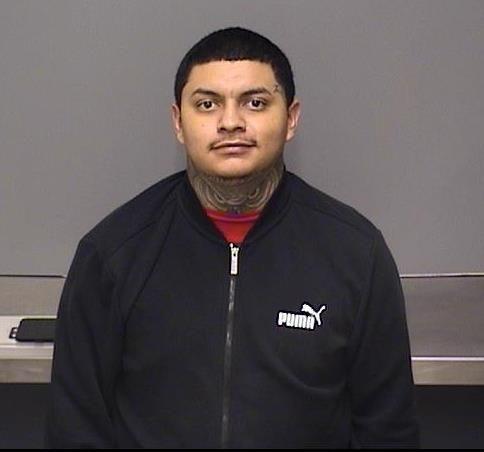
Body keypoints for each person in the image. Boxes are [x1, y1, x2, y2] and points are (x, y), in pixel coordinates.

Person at [45, 27, 420, 448]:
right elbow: (74, 430)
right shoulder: (112, 254)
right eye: (207, 104)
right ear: (178, 122)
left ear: (291, 118)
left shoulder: (357, 254)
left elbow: (388, 431)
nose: (230, 122)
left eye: (255, 102)